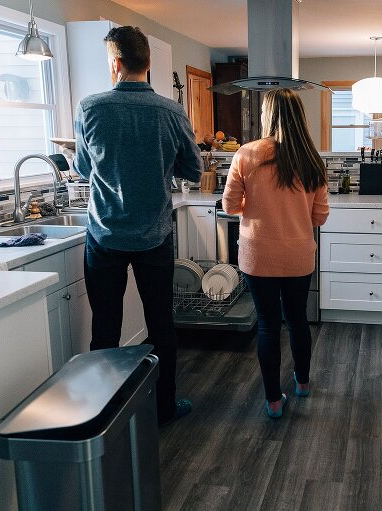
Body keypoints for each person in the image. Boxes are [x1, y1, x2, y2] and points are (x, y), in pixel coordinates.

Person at [73, 26, 202, 426]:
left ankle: (105, 413)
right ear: (147, 62)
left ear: (116, 63)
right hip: (153, 235)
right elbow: (193, 169)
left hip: (105, 235)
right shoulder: (171, 111)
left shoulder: (90, 107)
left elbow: (82, 168)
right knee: (161, 325)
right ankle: (164, 407)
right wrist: (159, 161)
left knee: (104, 329)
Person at [223, 88, 329, 419]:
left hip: (258, 256)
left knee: (268, 325)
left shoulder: (246, 154)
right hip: (298, 256)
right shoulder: (312, 160)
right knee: (297, 320)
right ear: (300, 117)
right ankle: (302, 383)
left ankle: (273, 400)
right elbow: (320, 217)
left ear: (268, 116)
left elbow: (230, 205)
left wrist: (255, 204)